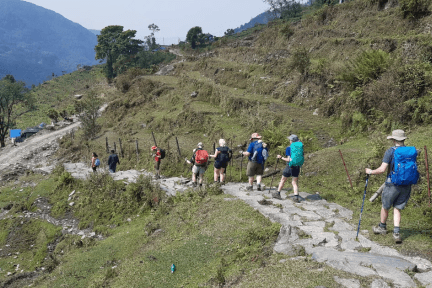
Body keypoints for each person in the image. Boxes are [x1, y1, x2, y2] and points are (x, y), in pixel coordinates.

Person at [365, 129, 419, 244]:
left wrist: (370, 171)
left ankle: (382, 227)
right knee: (397, 208)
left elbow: (382, 169)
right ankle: (396, 233)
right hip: (407, 184)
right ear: (404, 139)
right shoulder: (411, 151)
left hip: (392, 184)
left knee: (385, 206)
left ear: (394, 140)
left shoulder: (390, 151)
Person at [272, 135, 304, 202]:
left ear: (291, 141)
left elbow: (288, 159)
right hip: (297, 166)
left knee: (283, 180)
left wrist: (281, 157)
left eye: (290, 140)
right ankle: (296, 197)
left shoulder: (289, 148)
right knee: (294, 182)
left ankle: (277, 193)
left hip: (289, 166)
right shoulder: (300, 148)